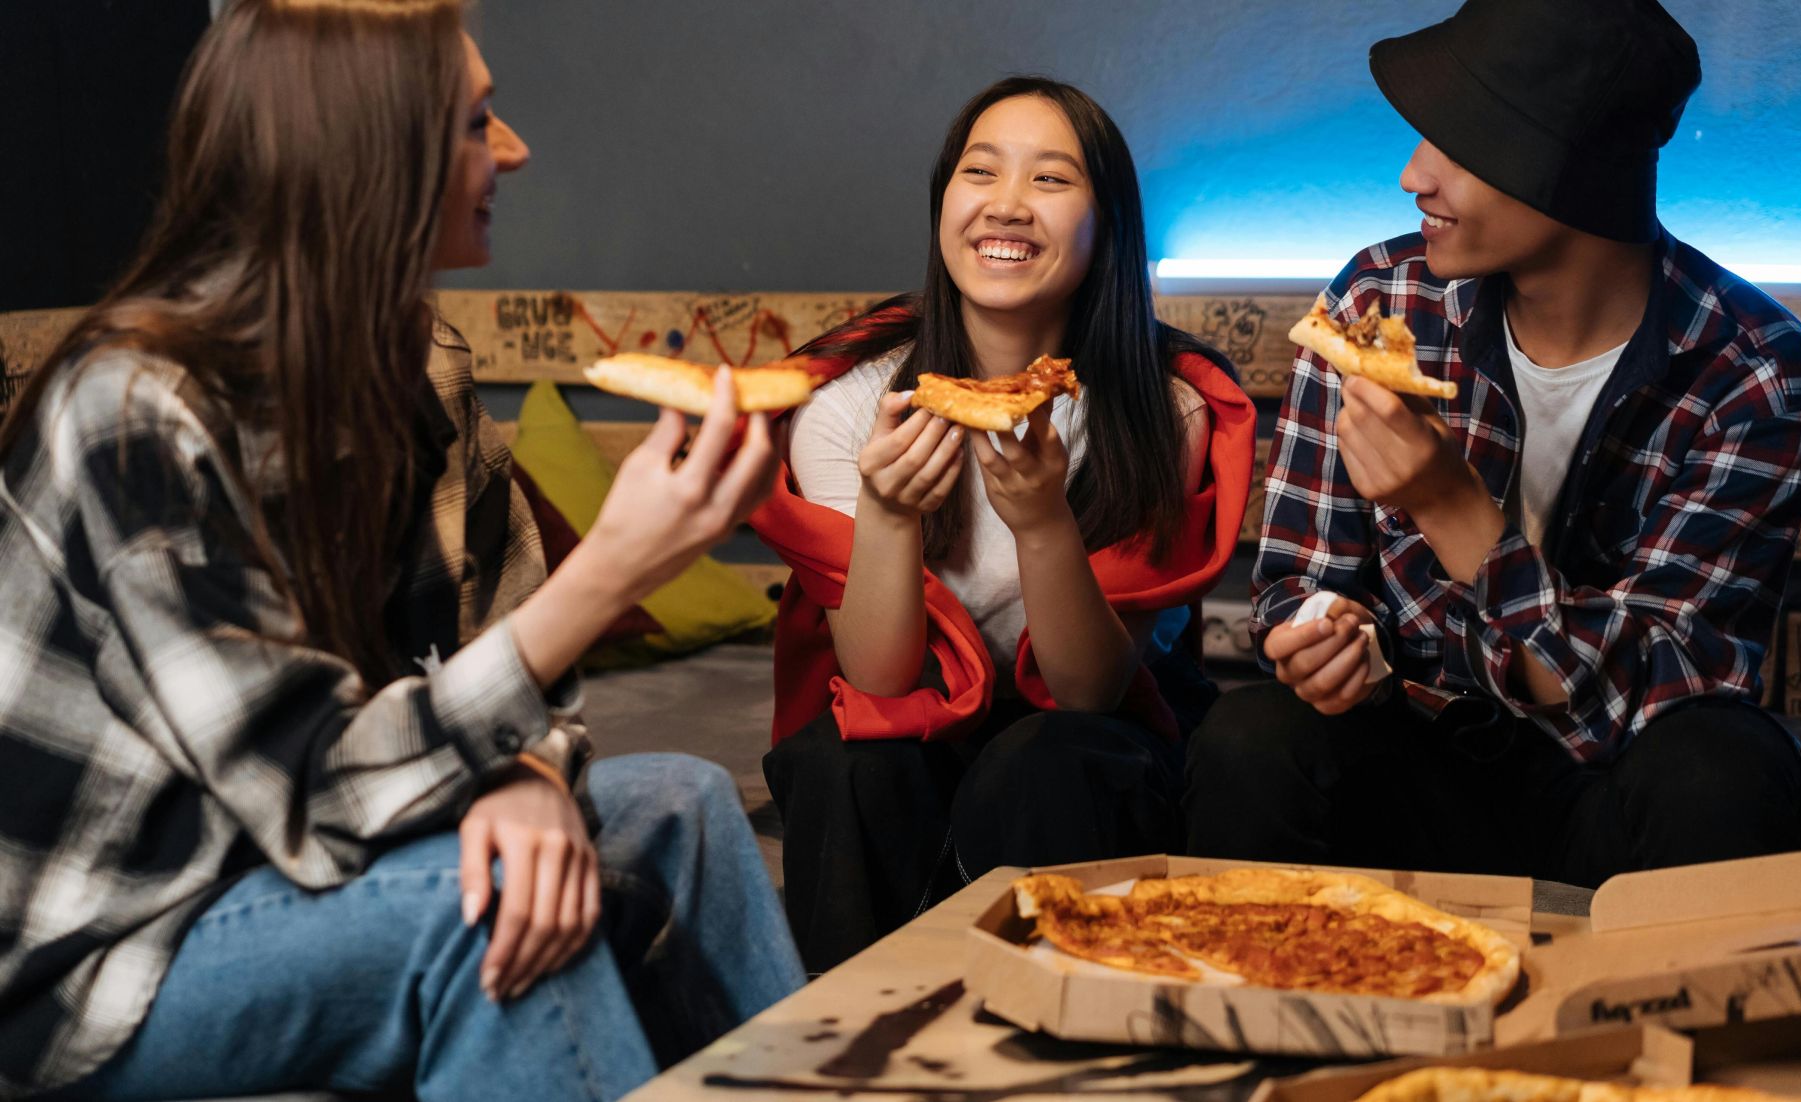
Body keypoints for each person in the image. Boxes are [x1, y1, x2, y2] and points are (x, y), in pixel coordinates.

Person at [0, 2, 800, 1098]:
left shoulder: (418, 373)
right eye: (477, 121)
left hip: (308, 854)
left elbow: (464, 679)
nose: (512, 148)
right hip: (112, 952)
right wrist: (609, 574)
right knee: (478, 915)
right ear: (367, 153)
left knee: (686, 809)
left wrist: (521, 769)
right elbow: (313, 780)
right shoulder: (133, 413)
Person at [1185, 0, 1801, 886]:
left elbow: (1653, 694)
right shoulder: (1383, 302)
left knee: (1724, 770)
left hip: (1612, 791)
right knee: (1250, 739)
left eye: (1459, 143)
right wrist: (1331, 637)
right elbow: (1299, 583)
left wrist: (1452, 508)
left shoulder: (1757, 375)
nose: (1414, 176)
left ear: (1572, 171)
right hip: (1414, 764)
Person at [752, 76, 1256, 972]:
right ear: (944, 201)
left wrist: (1043, 524)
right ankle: (852, 1049)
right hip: (913, 719)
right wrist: (888, 511)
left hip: (1085, 738)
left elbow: (1094, 691)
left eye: (1053, 181)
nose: (1008, 206)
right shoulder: (848, 407)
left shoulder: (1165, 413)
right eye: (980, 172)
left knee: (1045, 758)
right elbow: (877, 677)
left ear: (1109, 224)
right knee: (845, 765)